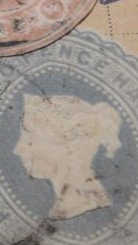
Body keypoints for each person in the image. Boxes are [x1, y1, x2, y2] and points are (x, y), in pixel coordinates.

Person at [15, 92, 123, 220]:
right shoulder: (65, 205)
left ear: (69, 147)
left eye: (30, 141)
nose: (18, 150)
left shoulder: (85, 202)